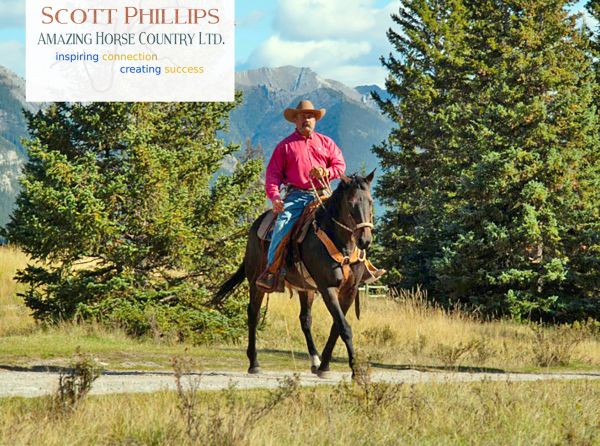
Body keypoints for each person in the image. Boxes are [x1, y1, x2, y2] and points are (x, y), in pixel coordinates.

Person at [256, 100, 345, 291]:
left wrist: (326, 172)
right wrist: (275, 198)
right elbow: (273, 175)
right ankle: (272, 272)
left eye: (310, 116)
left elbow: (340, 166)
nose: (307, 119)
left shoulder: (326, 143)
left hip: (323, 194)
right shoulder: (285, 146)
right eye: (303, 116)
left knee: (349, 219)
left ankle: (357, 266)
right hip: (297, 195)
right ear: (295, 120)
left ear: (315, 120)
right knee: (282, 224)